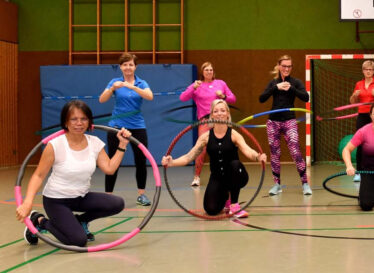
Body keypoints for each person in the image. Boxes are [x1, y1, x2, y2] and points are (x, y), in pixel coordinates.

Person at [16, 100, 127, 246]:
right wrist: (28, 202)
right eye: (74, 119)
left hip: (81, 197)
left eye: (83, 119)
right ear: (66, 122)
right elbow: (39, 175)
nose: (79, 123)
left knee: (117, 203)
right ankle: (40, 221)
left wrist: (122, 145)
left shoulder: (94, 143)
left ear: (89, 122)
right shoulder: (55, 145)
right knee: (78, 240)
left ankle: (81, 221)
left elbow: (110, 169)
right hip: (56, 200)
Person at [162, 99, 267, 218]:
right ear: (211, 115)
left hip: (237, 175)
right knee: (211, 209)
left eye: (223, 110)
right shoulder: (205, 137)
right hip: (217, 178)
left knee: (235, 164)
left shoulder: (234, 134)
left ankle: (234, 205)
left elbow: (247, 150)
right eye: (216, 111)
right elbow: (188, 157)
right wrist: (172, 162)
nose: (219, 113)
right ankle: (226, 196)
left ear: (228, 114)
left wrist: (258, 157)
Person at [98, 52, 154, 206]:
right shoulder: (115, 82)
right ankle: (108, 195)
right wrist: (111, 89)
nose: (128, 67)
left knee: (141, 161)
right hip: (117, 126)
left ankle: (141, 195)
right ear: (120, 67)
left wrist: (132, 87)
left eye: (131, 64)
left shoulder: (141, 83)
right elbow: (102, 99)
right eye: (125, 64)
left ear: (135, 67)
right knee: (112, 161)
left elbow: (150, 96)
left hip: (137, 126)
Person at [259, 55, 312, 196]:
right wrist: (276, 88)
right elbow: (261, 98)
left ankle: (305, 184)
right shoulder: (273, 83)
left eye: (289, 66)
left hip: (289, 121)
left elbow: (306, 97)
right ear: (279, 66)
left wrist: (292, 89)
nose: (287, 69)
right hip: (273, 122)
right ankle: (277, 185)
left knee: (295, 151)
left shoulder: (295, 82)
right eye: (284, 66)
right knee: (275, 154)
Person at [180, 62, 237, 187]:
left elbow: (233, 98)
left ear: (213, 72)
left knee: (226, 146)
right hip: (205, 120)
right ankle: (196, 176)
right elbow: (183, 98)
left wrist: (224, 96)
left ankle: (224, 173)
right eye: (206, 70)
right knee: (202, 148)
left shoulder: (221, 83)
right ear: (202, 72)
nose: (209, 72)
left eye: (211, 70)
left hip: (221, 120)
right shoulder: (197, 85)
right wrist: (193, 88)